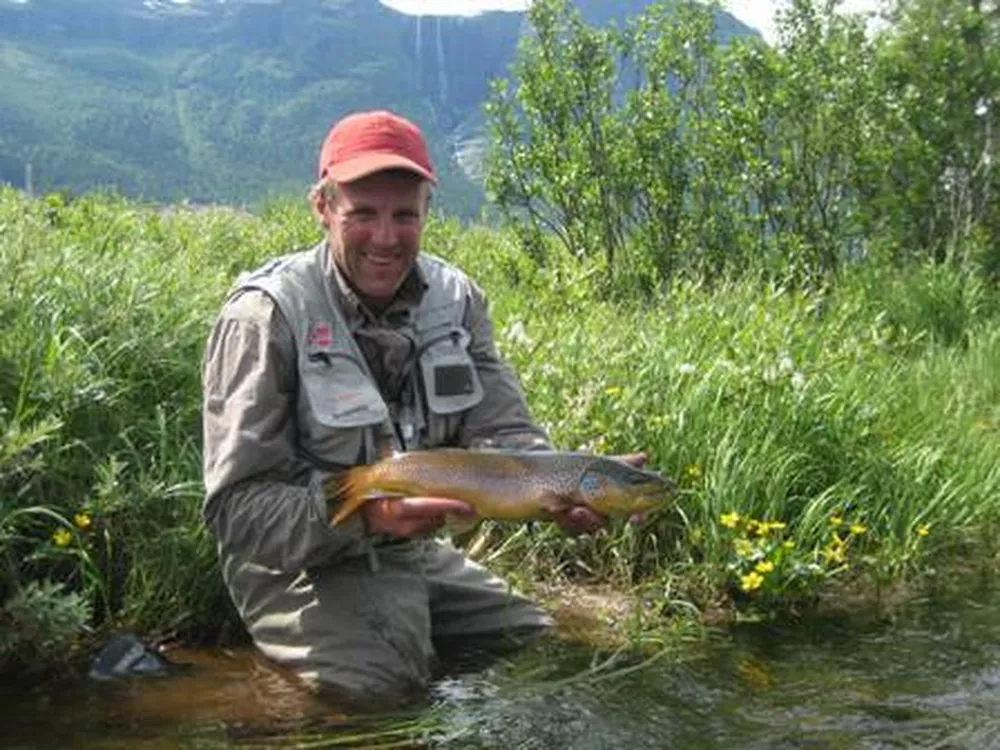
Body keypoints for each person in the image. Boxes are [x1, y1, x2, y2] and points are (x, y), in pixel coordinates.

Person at [201, 110, 639, 705]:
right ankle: (250, 695)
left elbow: (506, 435)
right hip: (298, 562)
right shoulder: (266, 317)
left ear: (427, 211)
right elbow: (239, 513)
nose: (386, 238)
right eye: (363, 214)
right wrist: (369, 517)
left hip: (407, 547)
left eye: (404, 215)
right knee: (377, 696)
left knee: (532, 641)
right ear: (323, 209)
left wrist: (561, 482)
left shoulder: (456, 300)